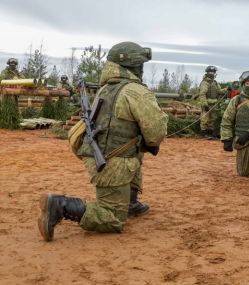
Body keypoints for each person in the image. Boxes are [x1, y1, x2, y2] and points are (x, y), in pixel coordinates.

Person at [38, 41, 169, 241]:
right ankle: (60, 206)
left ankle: (129, 202)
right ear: (134, 66)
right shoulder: (135, 91)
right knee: (111, 219)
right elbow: (155, 134)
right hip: (112, 163)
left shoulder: (106, 88)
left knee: (136, 150)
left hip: (100, 154)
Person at [198, 65, 227, 139]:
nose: (211, 73)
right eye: (210, 72)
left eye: (213, 72)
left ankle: (210, 134)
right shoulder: (205, 83)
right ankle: (204, 134)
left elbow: (219, 91)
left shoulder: (215, 83)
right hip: (207, 103)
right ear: (207, 72)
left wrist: (227, 89)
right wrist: (204, 104)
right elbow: (202, 94)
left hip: (214, 104)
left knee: (213, 119)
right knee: (204, 119)